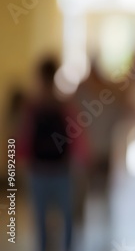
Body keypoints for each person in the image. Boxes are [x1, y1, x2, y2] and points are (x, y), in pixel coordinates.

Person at [17, 55, 88, 251]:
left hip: (56, 172)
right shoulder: (37, 107)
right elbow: (25, 137)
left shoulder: (59, 107)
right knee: (55, 219)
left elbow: (75, 139)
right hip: (45, 171)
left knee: (57, 219)